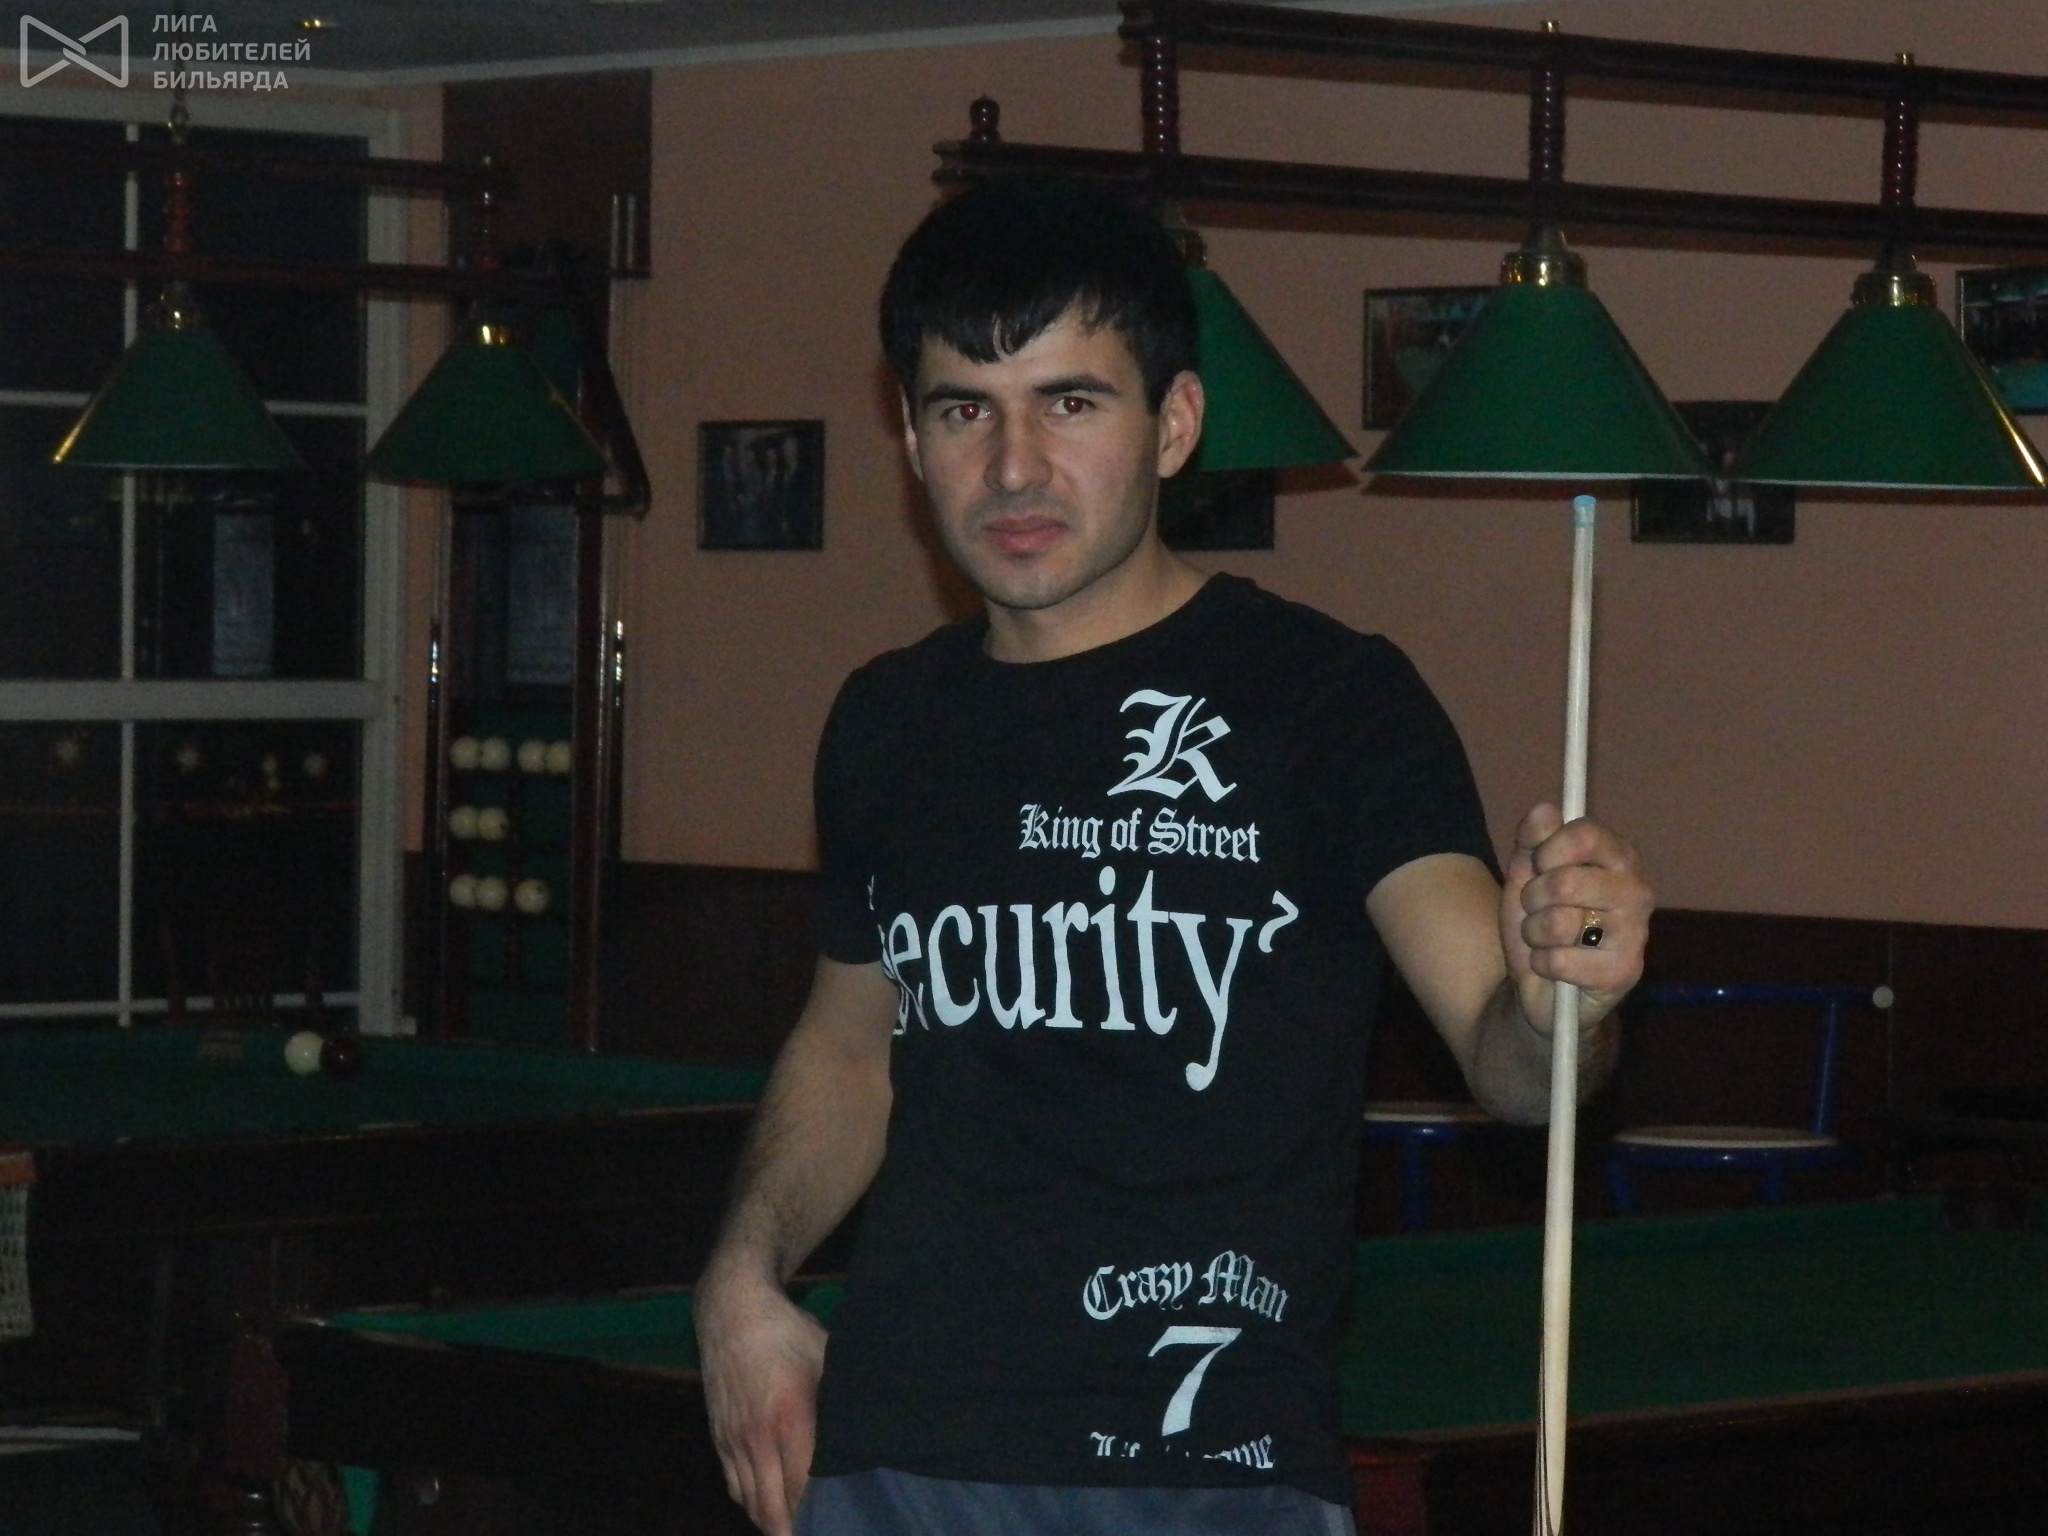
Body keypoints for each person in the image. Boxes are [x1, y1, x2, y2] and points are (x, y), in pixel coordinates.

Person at [696, 177, 1652, 1536]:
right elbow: (854, 1049)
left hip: (1211, 1472)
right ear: (910, 435)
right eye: (966, 410)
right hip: (900, 1455)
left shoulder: (1331, 701)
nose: (1013, 468)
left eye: (1070, 403)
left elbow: (1514, 1063)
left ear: (1177, 424)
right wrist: (742, 1278)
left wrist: (1568, 999)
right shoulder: (887, 719)